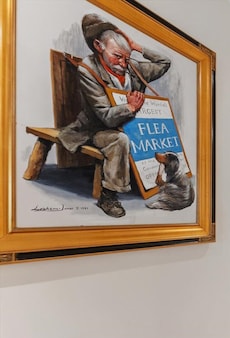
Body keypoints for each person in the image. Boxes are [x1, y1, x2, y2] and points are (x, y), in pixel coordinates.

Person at [58, 14, 171, 217]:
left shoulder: (131, 66)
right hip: (96, 128)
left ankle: (151, 181)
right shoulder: (88, 69)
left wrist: (137, 48)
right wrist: (130, 108)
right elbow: (105, 117)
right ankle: (108, 197)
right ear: (99, 46)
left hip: (126, 124)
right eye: (117, 56)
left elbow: (164, 63)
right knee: (119, 140)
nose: (122, 63)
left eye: (127, 57)